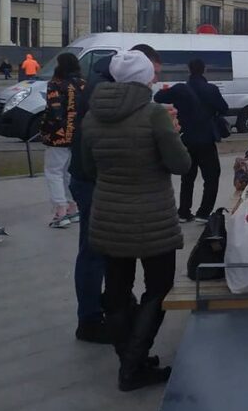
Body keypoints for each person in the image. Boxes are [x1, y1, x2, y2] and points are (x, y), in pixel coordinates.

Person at [81, 50, 191, 392]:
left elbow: (87, 170)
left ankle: (131, 357)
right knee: (158, 289)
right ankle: (133, 365)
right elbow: (181, 165)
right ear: (146, 79)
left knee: (116, 289)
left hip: (109, 216)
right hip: (152, 218)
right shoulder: (154, 113)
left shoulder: (92, 116)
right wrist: (173, 133)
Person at [68, 43, 164, 345]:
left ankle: (112, 306)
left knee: (105, 250)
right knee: (95, 251)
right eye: (151, 75)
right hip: (93, 180)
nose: (152, 82)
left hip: (93, 177)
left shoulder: (103, 82)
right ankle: (90, 319)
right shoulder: (105, 90)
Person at [154, 58, 229, 223]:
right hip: (206, 140)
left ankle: (184, 212)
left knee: (187, 177)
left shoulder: (181, 89)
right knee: (211, 177)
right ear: (205, 70)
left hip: (186, 138)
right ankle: (203, 212)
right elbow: (224, 108)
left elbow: (158, 97)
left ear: (189, 70)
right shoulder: (211, 89)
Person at [40, 52, 84, 228]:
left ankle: (60, 211)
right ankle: (73, 208)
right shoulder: (82, 84)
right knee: (68, 172)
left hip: (58, 135)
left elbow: (54, 110)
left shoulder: (56, 84)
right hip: (78, 133)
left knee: (54, 172)